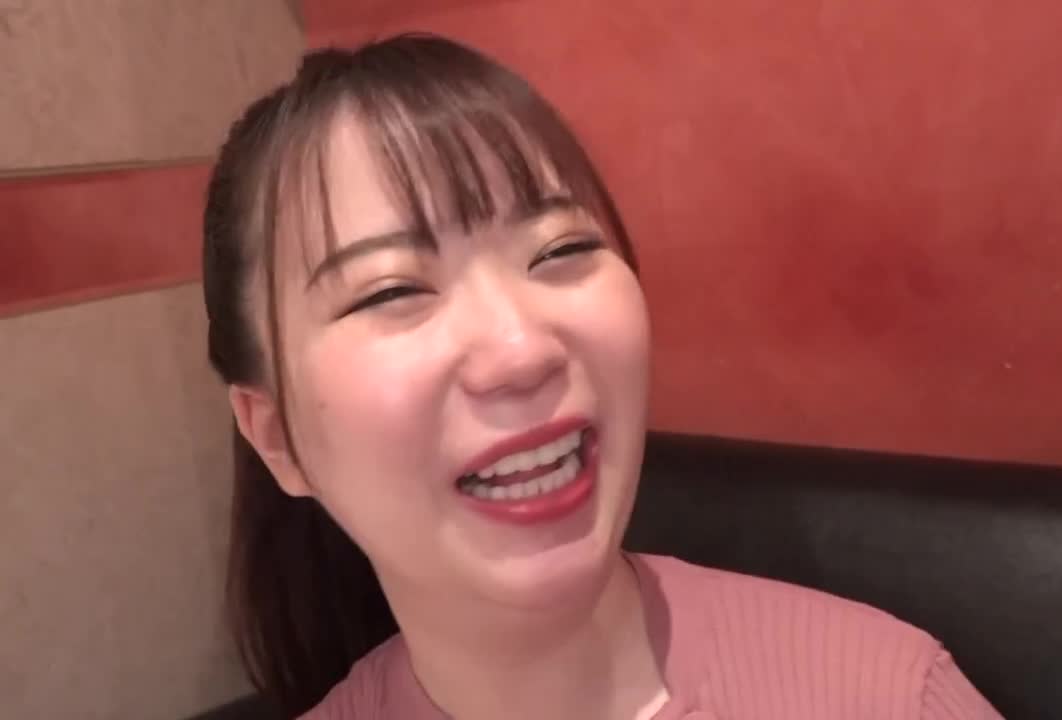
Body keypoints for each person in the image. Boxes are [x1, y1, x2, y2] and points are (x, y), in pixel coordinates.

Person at [201, 33, 1002, 720]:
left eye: (561, 249)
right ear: (276, 439)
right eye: (391, 291)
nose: (521, 349)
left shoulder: (886, 695)